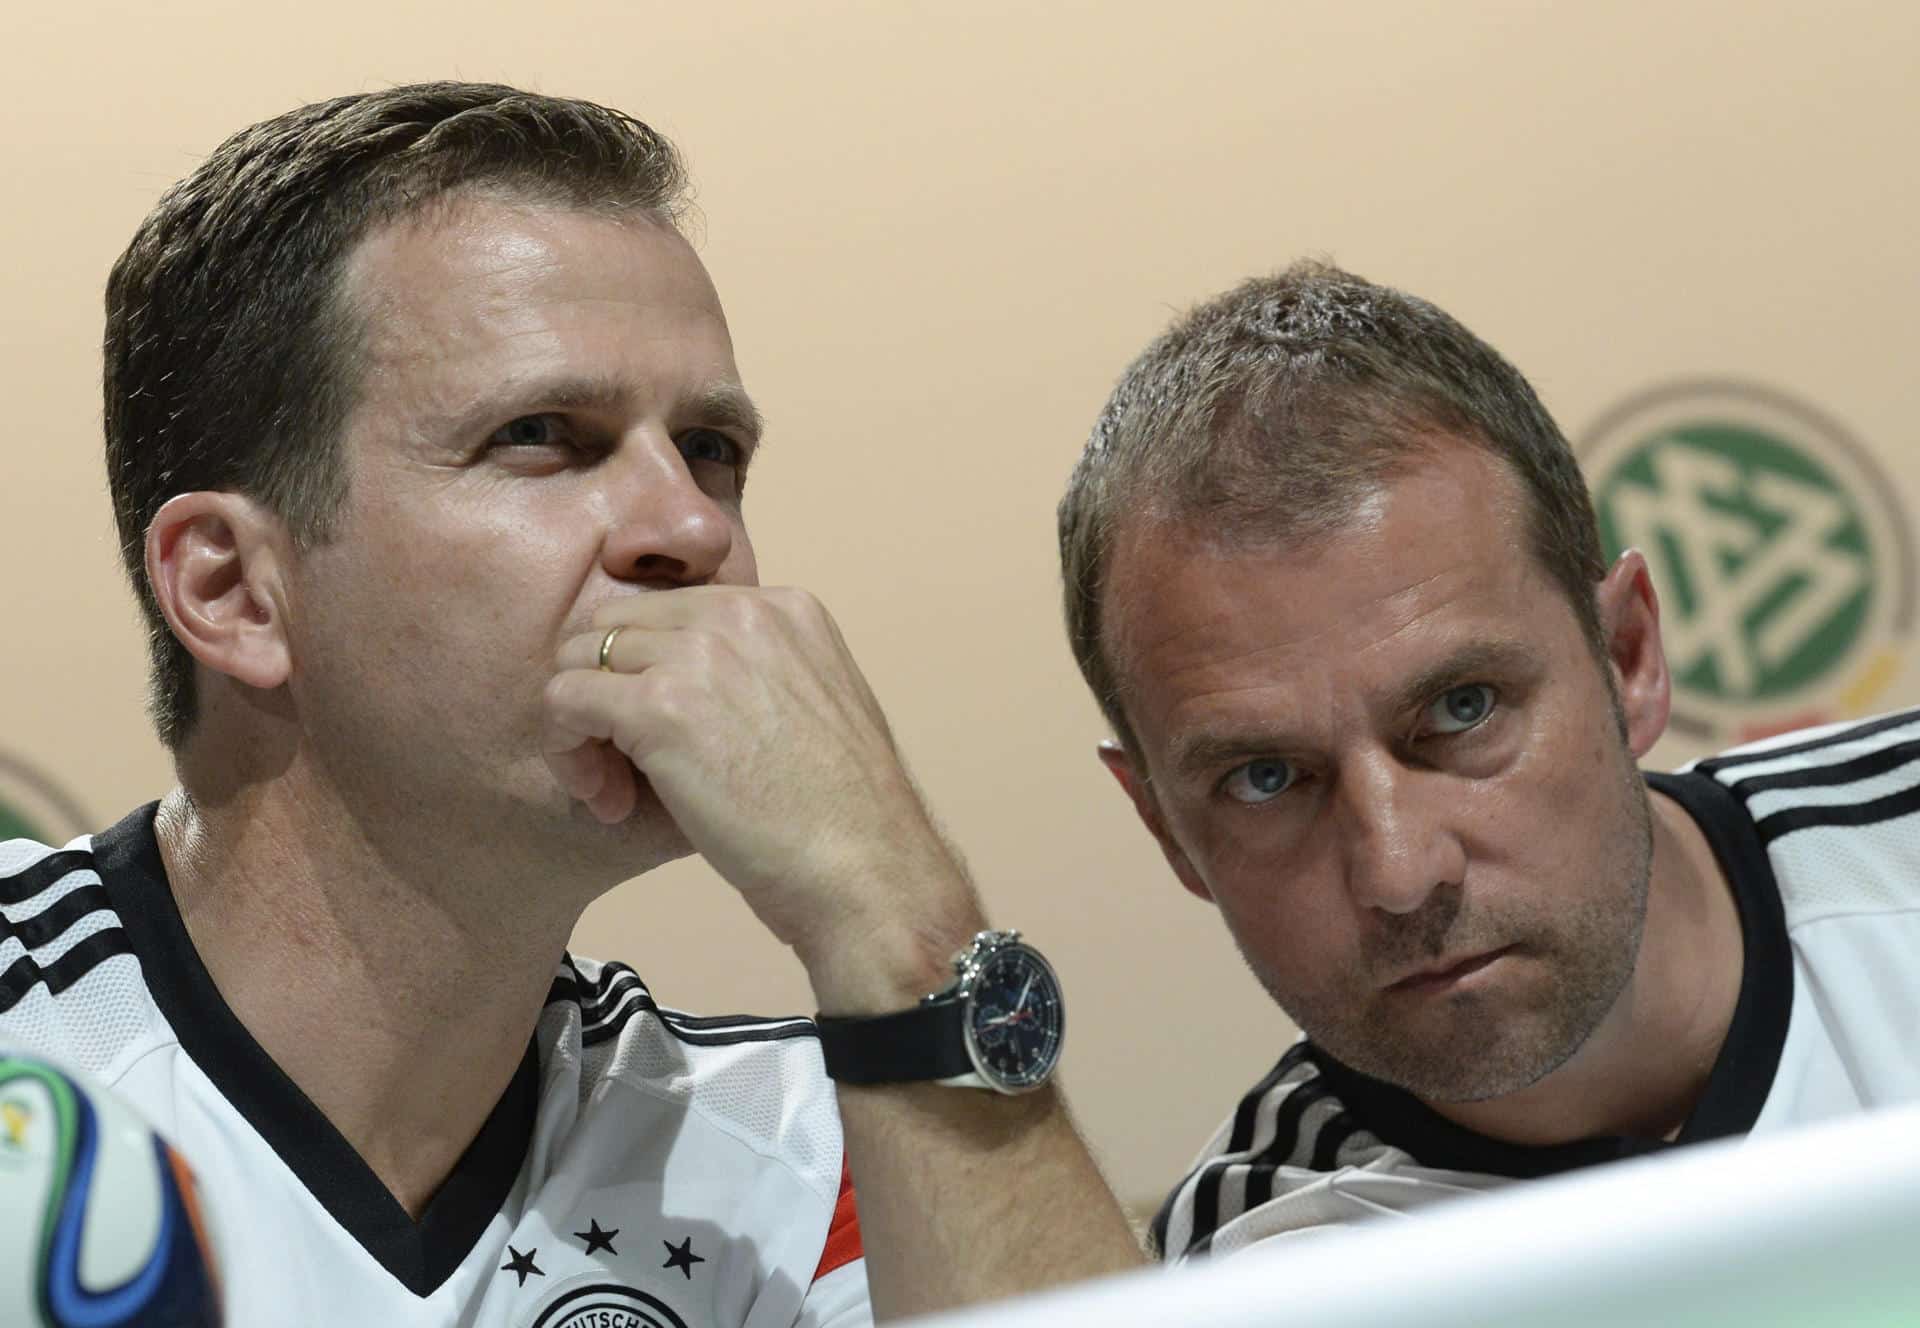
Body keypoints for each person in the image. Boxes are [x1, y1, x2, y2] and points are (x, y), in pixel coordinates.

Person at [0, 83, 1140, 1325]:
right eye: (545, 435)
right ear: (236, 592)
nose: (694, 529)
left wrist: (896, 912)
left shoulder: (815, 1147)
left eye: (712, 449)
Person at [1057, 260, 1920, 1260]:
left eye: (1462, 710)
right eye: (1266, 777)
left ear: (1628, 658)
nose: (1398, 870)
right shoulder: (1256, 1260)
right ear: (1165, 828)